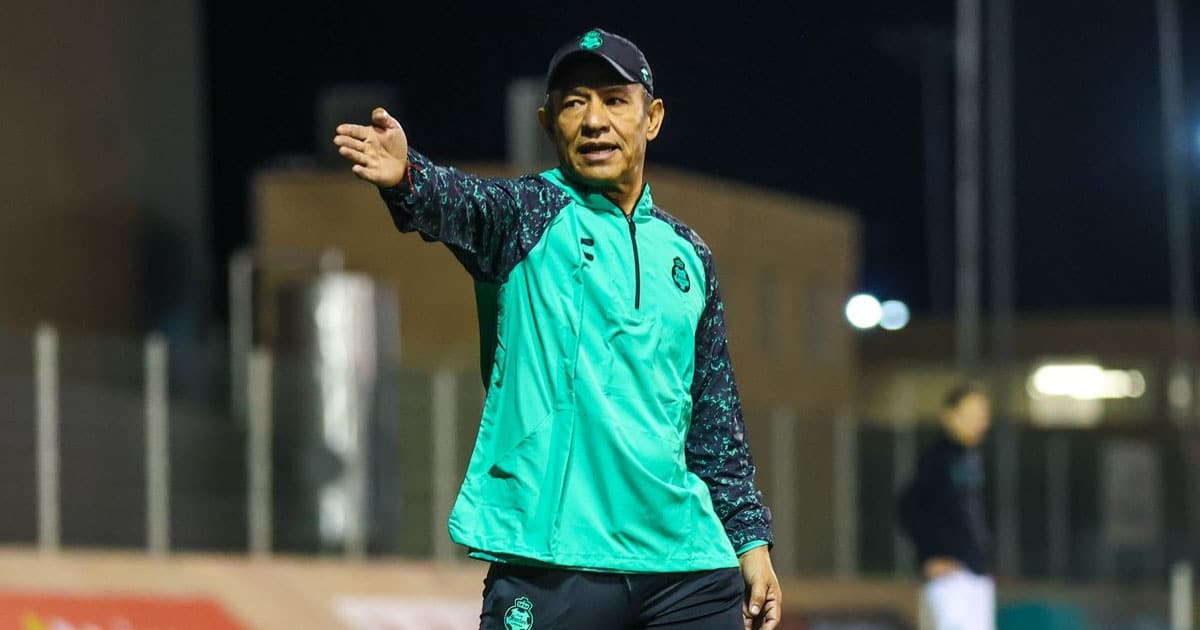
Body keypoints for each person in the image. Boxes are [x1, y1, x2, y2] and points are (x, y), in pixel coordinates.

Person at [333, 28, 781, 629]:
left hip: (688, 568)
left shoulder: (689, 255)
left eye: (614, 100)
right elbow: (461, 202)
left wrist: (750, 542)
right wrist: (407, 176)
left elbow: (713, 415)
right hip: (553, 563)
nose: (594, 120)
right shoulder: (526, 215)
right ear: (549, 123)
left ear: (653, 119)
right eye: (575, 103)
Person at [897, 383, 995, 630]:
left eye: (982, 416)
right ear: (950, 416)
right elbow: (908, 509)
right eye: (971, 415)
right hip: (951, 576)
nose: (979, 422)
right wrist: (930, 555)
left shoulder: (973, 457)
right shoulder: (937, 458)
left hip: (976, 571)